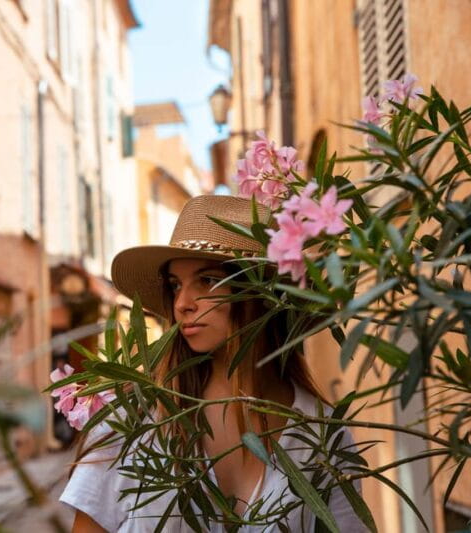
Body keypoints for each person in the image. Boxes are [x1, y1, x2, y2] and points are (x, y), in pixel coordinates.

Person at [58, 195, 365, 532]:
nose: (182, 303)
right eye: (175, 285)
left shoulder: (322, 433)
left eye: (206, 280)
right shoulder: (133, 419)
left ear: (258, 292)